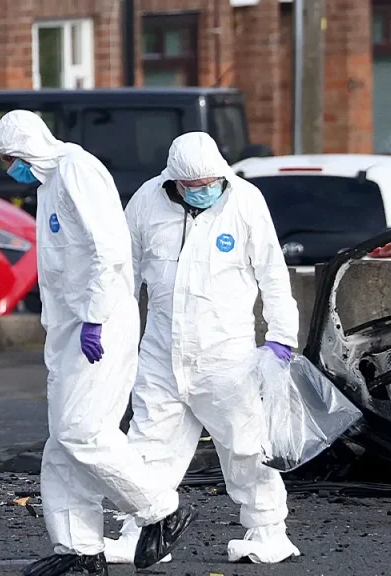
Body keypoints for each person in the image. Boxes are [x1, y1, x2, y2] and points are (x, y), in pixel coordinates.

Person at [0, 111, 198, 576]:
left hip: (98, 324)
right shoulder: (49, 183)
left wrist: (95, 318)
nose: (9, 168)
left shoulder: (76, 171)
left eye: (9, 158)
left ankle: (162, 509)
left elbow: (109, 250)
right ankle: (78, 547)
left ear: (25, 149)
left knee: (83, 431)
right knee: (62, 442)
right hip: (71, 327)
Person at [103, 131, 300, 565]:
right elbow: (123, 272)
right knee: (147, 444)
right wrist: (111, 330)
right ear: (174, 180)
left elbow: (272, 272)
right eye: (194, 186)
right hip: (161, 352)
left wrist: (282, 336)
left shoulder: (245, 201)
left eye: (211, 183)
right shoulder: (146, 201)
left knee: (245, 446)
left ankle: (269, 532)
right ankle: (140, 533)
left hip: (226, 356)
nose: (204, 191)